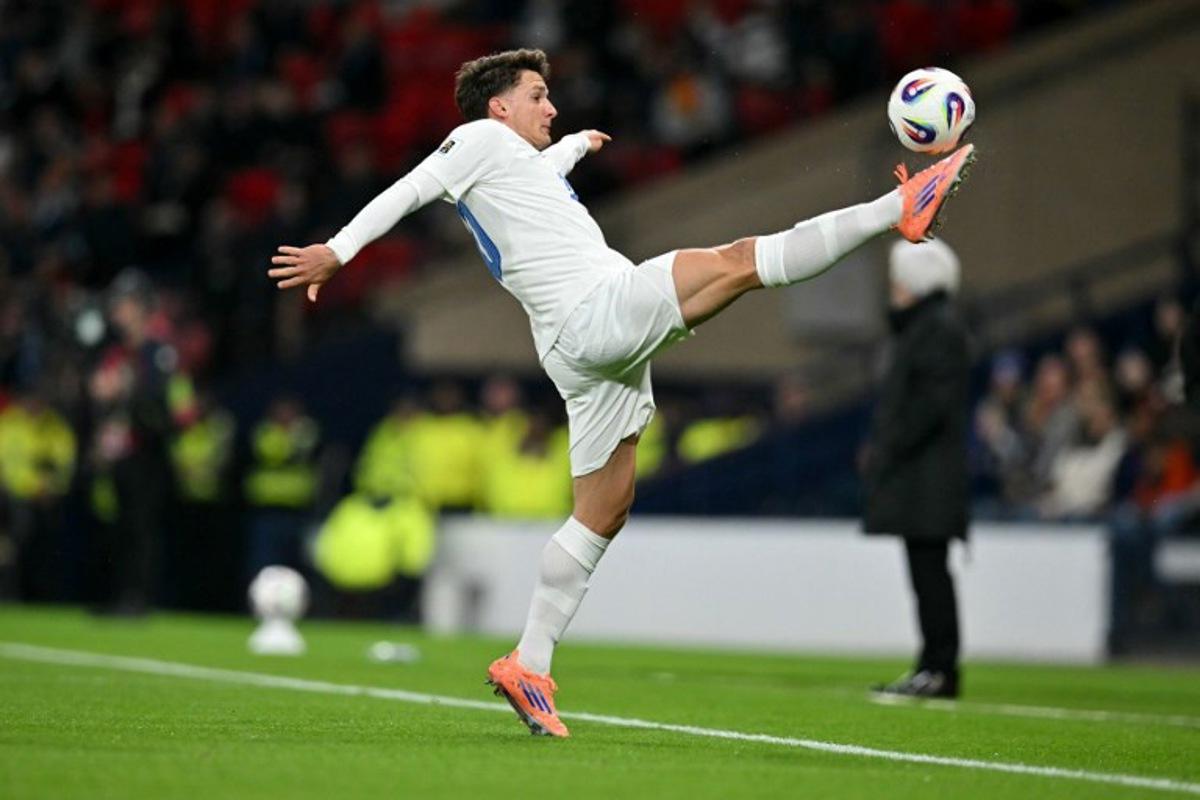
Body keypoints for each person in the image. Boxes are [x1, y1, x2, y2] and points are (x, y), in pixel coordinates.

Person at [268, 48, 975, 736]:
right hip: (595, 310)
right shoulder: (477, 138)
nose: (551, 104)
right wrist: (340, 249)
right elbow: (413, 186)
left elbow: (536, 175)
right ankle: (899, 208)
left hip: (573, 347)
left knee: (603, 508)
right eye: (538, 96)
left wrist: (572, 146)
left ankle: (529, 663)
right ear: (499, 107)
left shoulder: (510, 166)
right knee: (737, 262)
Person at [863, 239, 970, 699]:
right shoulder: (930, 327)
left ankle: (939, 668)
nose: (893, 286)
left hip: (929, 476)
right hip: (926, 475)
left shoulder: (935, 330)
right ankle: (933, 665)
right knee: (926, 573)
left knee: (930, 574)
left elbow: (929, 406)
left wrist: (889, 446)